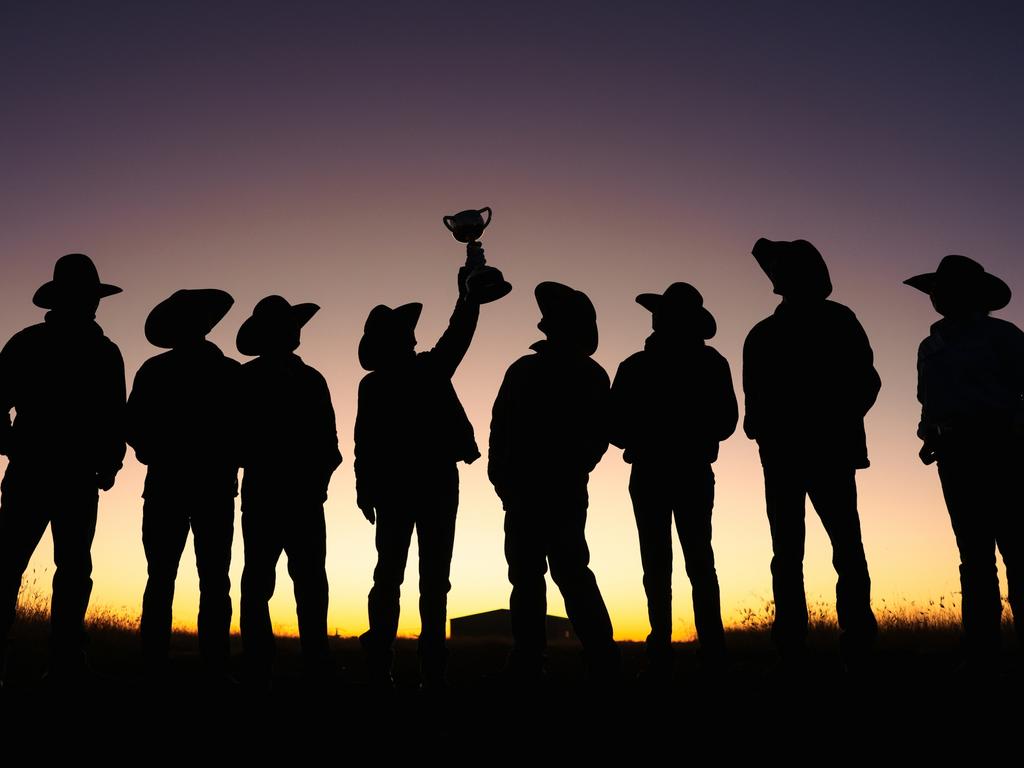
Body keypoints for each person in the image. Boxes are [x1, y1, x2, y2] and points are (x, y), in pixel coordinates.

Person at [742, 238, 880, 668]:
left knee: (831, 547)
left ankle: (834, 639)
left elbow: (865, 382)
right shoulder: (768, 333)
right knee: (802, 549)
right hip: (799, 453)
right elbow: (754, 407)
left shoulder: (779, 330)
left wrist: (828, 420)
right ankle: (807, 641)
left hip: (821, 451)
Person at [354, 255, 484, 689]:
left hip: (402, 486)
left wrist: (364, 489)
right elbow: (458, 335)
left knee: (393, 577)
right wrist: (467, 295)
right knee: (427, 580)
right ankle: (426, 669)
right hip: (430, 484)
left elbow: (364, 443)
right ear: (403, 340)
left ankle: (385, 664)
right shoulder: (426, 369)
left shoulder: (376, 384)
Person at [0, 253, 126, 681]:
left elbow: (114, 418)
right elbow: (115, 418)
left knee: (30, 564)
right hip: (62, 475)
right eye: (88, 297)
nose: (92, 305)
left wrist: (108, 463)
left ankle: (64, 660)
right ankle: (65, 661)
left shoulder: (30, 342)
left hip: (47, 473)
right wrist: (108, 465)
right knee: (62, 568)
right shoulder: (103, 353)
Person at [489, 281, 618, 681]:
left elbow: (501, 430)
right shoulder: (586, 374)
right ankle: (586, 657)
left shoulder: (534, 371)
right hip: (542, 491)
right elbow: (501, 429)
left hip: (542, 490)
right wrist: (504, 479)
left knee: (550, 574)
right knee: (557, 573)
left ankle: (547, 657)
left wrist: (507, 479)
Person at [609, 282, 737, 677]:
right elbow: (726, 421)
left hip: (657, 471)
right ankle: (705, 648)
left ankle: (666, 647)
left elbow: (616, 427)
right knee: (695, 561)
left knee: (665, 563)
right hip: (686, 470)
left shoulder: (636, 366)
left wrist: (647, 436)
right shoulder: (710, 363)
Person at [905, 254, 1024, 666]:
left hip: (1003, 448)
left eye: (942, 290)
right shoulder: (930, 345)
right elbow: (928, 399)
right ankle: (982, 645)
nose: (936, 297)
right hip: (954, 454)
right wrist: (928, 434)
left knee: (1015, 547)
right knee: (974, 553)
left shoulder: (1004, 336)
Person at [126, 289, 240, 678]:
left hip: (170, 486)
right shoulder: (229, 372)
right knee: (209, 579)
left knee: (164, 577)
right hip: (211, 488)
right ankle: (214, 663)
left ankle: (156, 663)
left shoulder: (156, 371)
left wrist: (157, 452)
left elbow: (134, 428)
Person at [235, 295, 342, 686]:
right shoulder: (291, 379)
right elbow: (234, 439)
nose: (294, 334)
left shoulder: (304, 379)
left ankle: (301, 659)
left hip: (289, 495)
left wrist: (317, 482)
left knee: (301, 580)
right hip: (279, 494)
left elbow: (330, 446)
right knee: (274, 581)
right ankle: (273, 661)